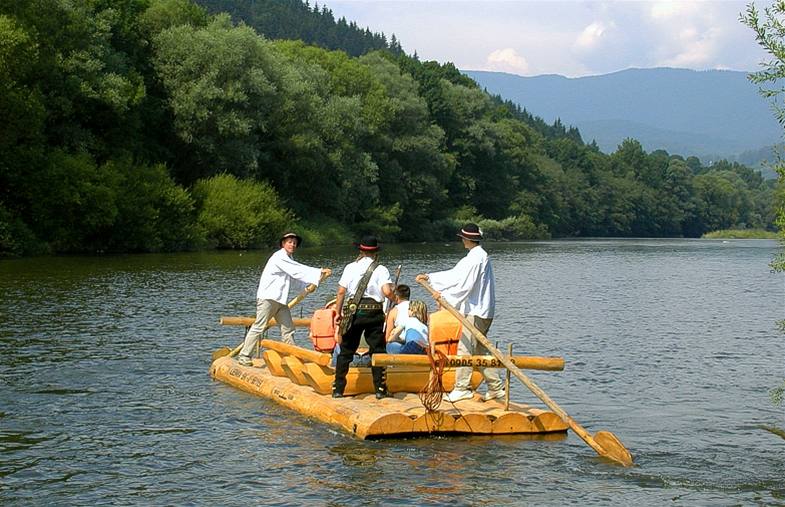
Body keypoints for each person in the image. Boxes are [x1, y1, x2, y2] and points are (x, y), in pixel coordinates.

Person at [415, 223, 504, 402]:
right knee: (480, 350)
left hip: (477, 311)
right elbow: (455, 275)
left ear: (467, 239)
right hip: (479, 310)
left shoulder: (477, 258)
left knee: (465, 347)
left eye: (463, 238)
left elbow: (465, 285)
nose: (462, 241)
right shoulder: (474, 256)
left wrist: (444, 297)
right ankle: (496, 387)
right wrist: (431, 278)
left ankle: (462, 387)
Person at [237, 233, 331, 366]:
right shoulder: (279, 257)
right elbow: (296, 270)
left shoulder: (289, 258)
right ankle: (244, 355)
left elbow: (293, 278)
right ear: (283, 244)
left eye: (294, 243)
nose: (292, 244)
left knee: (288, 328)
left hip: (281, 300)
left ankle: (292, 356)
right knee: (259, 326)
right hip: (268, 298)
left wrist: (306, 287)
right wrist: (319, 272)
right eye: (289, 242)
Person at [332, 235, 394, 399]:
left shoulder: (350, 267)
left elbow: (341, 292)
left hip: (354, 312)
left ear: (360, 250)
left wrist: (338, 313)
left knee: (346, 351)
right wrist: (395, 300)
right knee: (378, 351)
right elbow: (387, 292)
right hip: (374, 313)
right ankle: (380, 390)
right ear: (375, 252)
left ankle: (338, 389)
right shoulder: (381, 269)